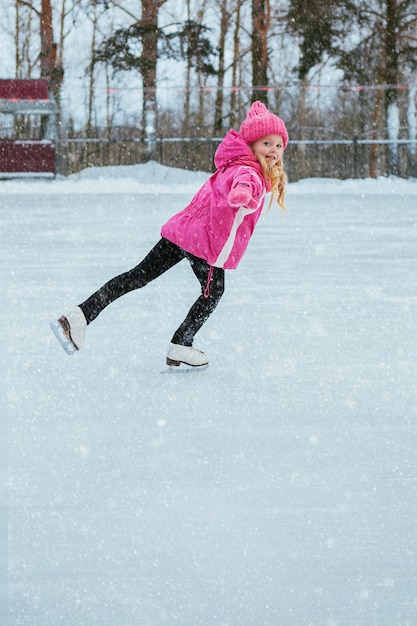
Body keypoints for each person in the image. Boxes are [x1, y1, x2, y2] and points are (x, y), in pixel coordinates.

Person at [50, 101, 289, 367]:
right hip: (204, 243)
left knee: (138, 276)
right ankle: (181, 344)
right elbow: (245, 186)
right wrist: (243, 195)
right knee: (213, 292)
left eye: (278, 145)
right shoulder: (249, 171)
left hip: (183, 231)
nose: (274, 151)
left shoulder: (233, 164)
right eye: (267, 143)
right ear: (252, 143)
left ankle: (80, 315)